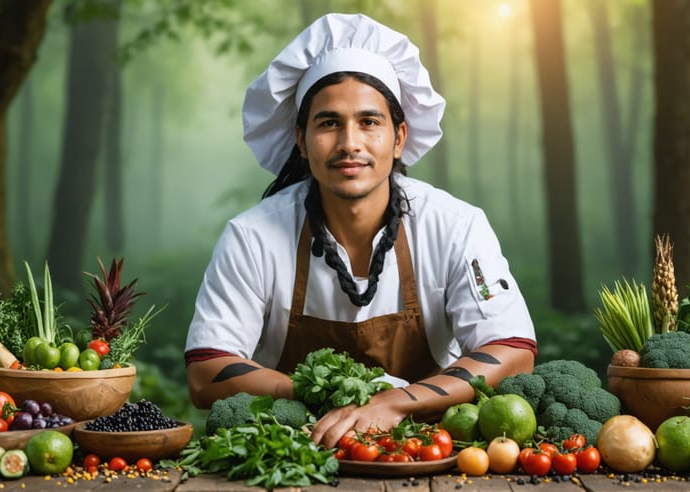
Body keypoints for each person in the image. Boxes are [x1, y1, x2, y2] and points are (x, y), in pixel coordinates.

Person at [184, 13, 536, 449]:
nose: (350, 142)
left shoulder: (456, 226)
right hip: (294, 454)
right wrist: (335, 398)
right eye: (329, 123)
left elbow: (514, 351)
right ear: (301, 139)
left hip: (427, 454)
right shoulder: (252, 236)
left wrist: (396, 404)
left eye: (369, 122)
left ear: (400, 136)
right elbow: (205, 373)